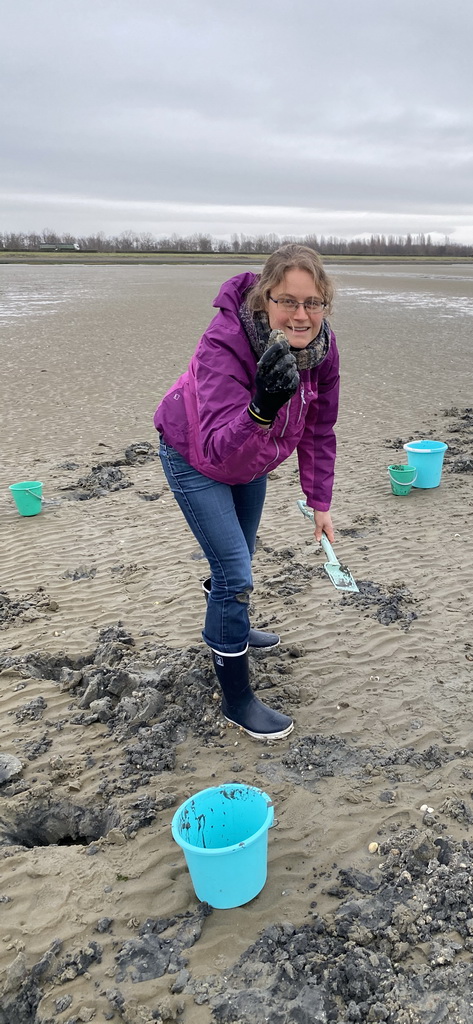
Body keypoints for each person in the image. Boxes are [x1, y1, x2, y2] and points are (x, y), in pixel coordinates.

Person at [154, 244, 340, 741]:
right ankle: (237, 699)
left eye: (313, 303)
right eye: (287, 301)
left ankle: (229, 623)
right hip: (195, 456)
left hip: (250, 461)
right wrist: (261, 407)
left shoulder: (321, 347)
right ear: (264, 299)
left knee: (242, 556)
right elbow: (215, 448)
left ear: (325, 304)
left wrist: (319, 502)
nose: (301, 316)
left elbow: (320, 428)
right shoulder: (226, 342)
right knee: (234, 570)